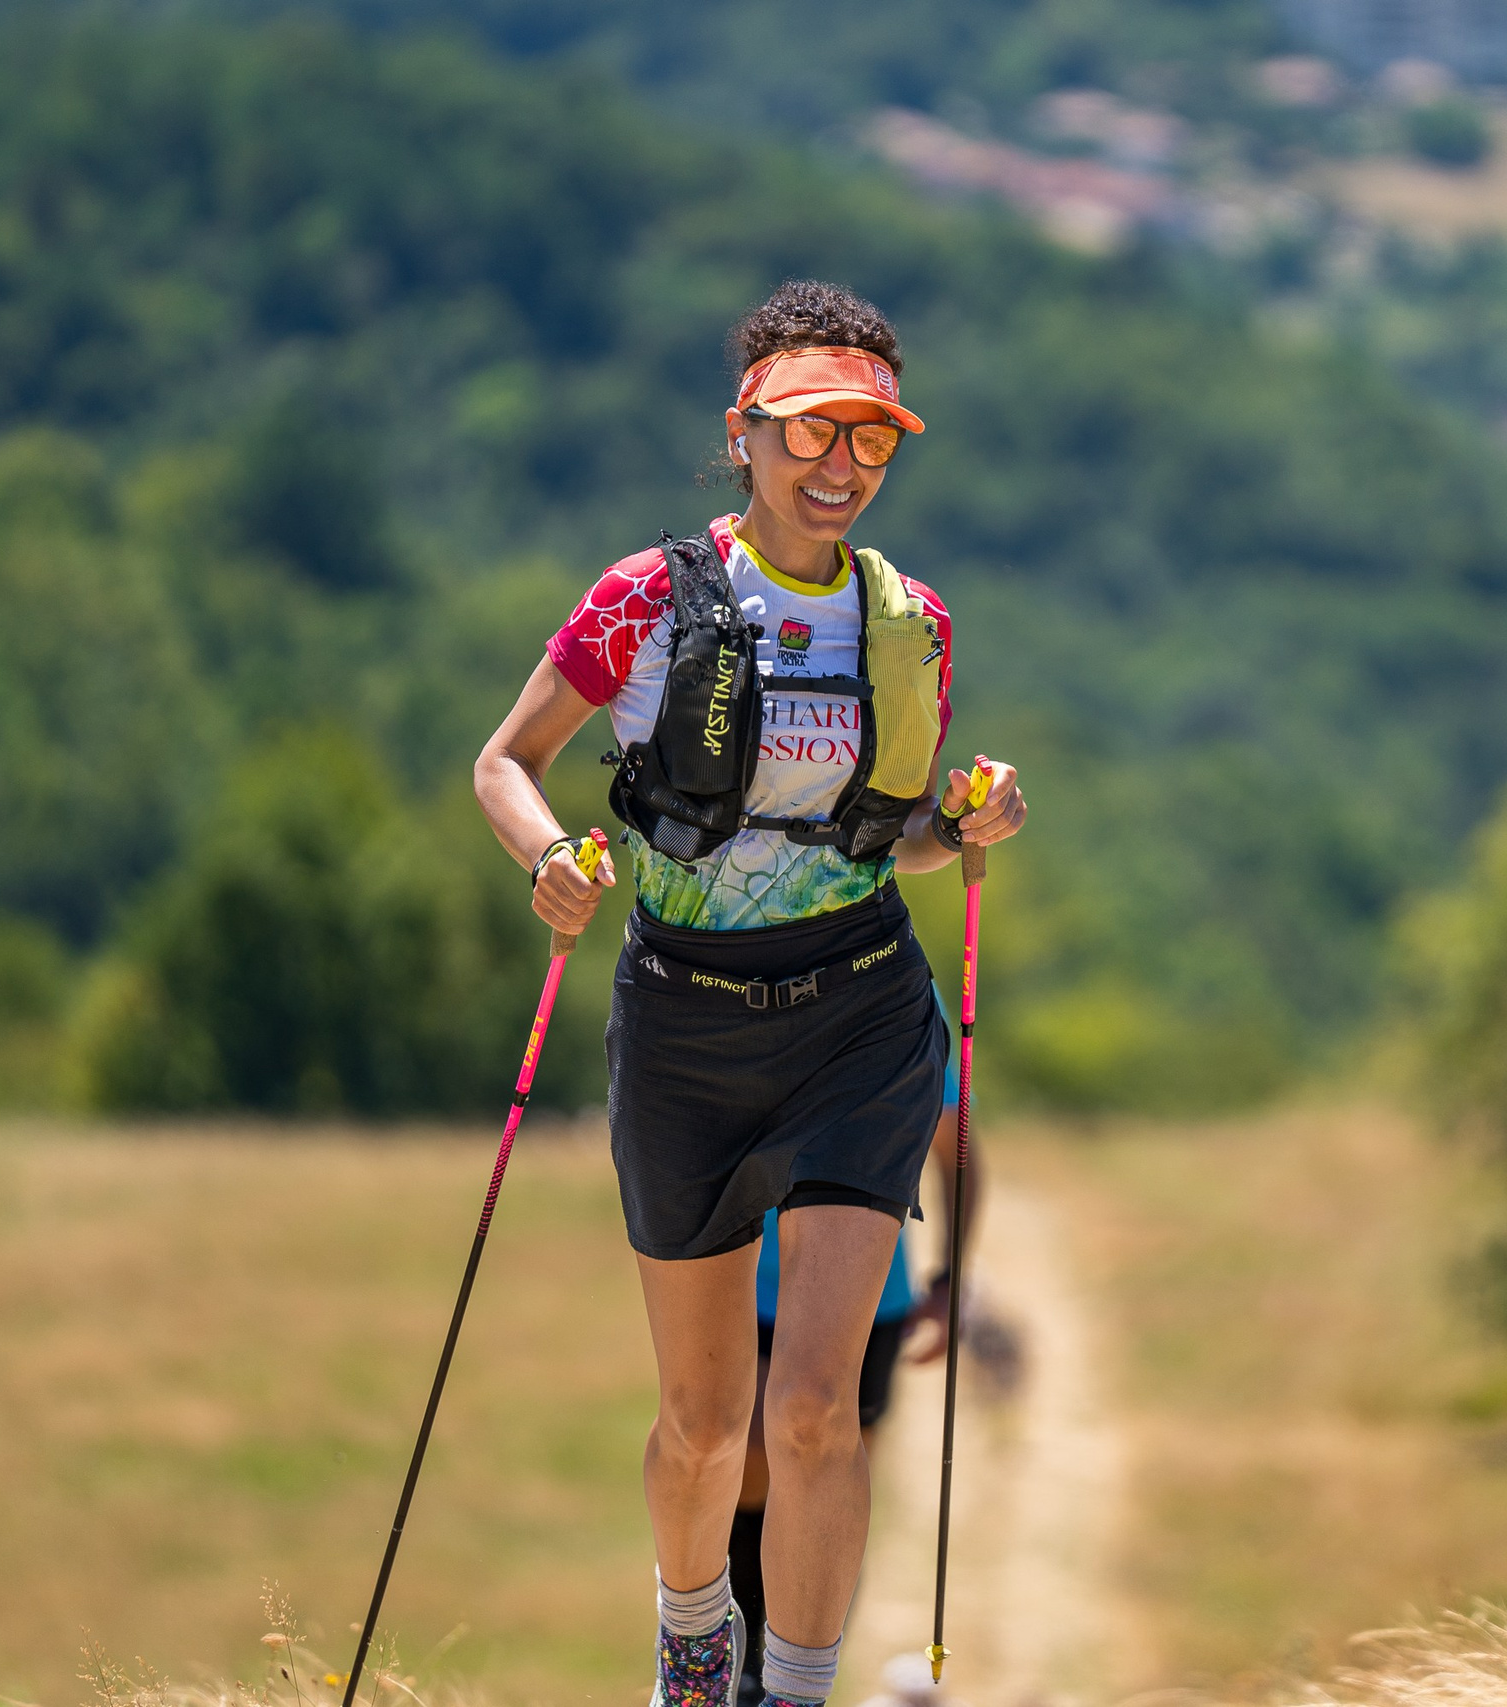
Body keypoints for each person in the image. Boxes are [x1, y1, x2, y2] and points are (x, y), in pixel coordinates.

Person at [472, 279, 1026, 1707]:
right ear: (744, 434)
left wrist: (964, 822)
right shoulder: (646, 599)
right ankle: (693, 1641)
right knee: (707, 1424)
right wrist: (553, 863)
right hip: (686, 1026)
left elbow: (878, 836)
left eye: (871, 440)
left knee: (815, 1411)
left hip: (858, 1018)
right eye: (810, 434)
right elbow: (505, 760)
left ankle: (794, 1688)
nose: (839, 467)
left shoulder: (914, 623)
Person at [728, 1056, 983, 1706]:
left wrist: (952, 1272)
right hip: (745, 1280)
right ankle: (745, 1666)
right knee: (751, 1461)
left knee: (827, 1483)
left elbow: (956, 1148)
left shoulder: (903, 991)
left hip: (867, 1293)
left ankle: (799, 1677)